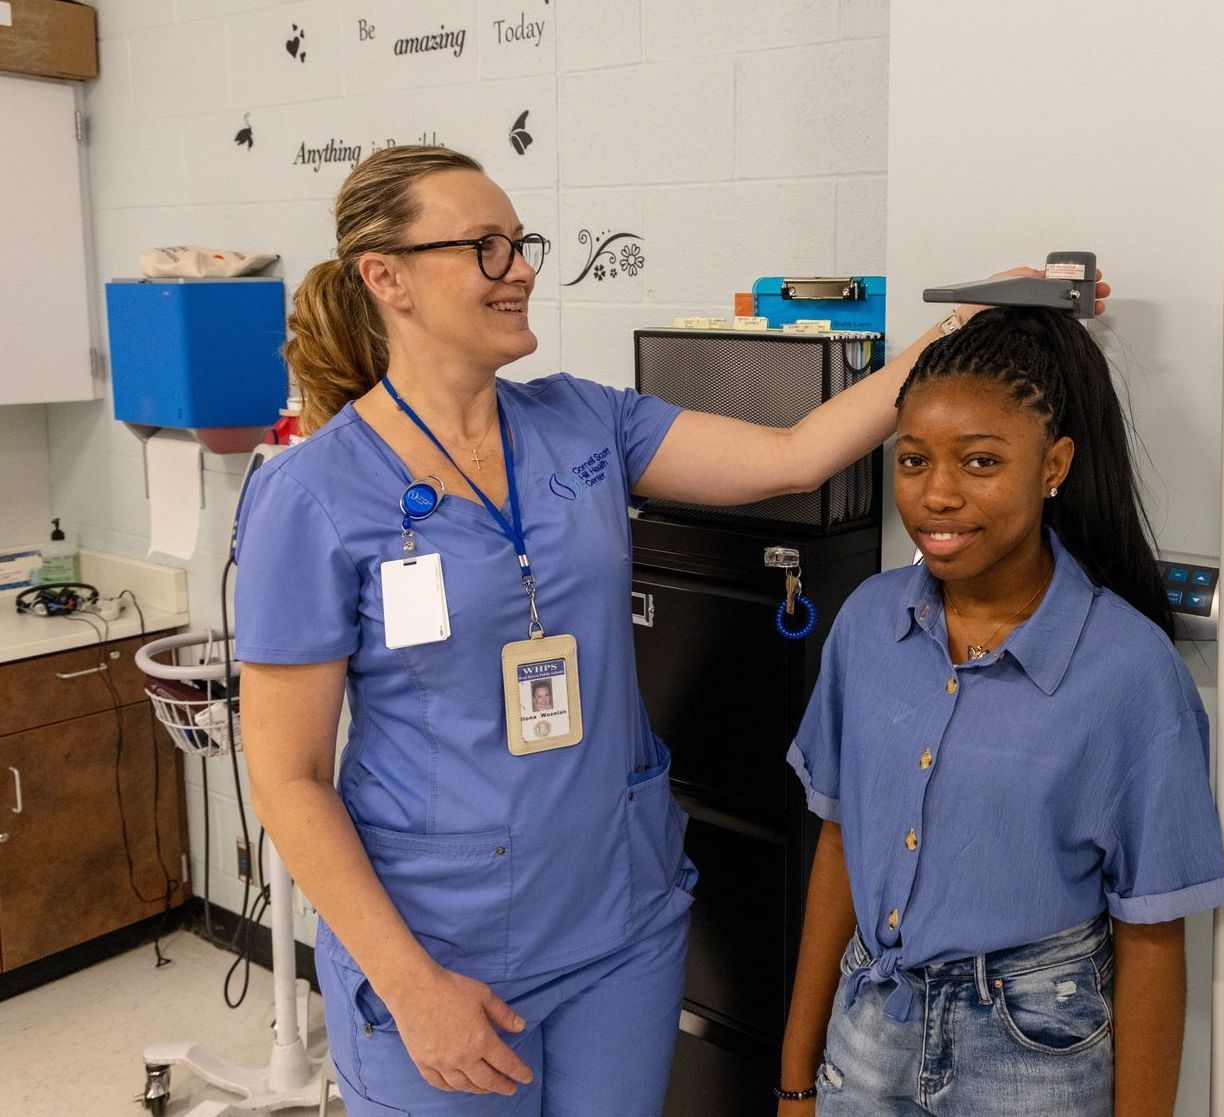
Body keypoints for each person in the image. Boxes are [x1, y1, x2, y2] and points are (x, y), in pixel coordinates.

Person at [233, 144, 1110, 1117]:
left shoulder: (581, 421)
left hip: (619, 928)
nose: (519, 266)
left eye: (520, 242)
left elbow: (793, 455)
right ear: (385, 278)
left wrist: (959, 331)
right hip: (436, 946)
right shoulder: (312, 495)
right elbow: (287, 773)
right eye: (484, 247)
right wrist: (408, 984)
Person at [777, 307, 1224, 1117]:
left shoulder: (1129, 673)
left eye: (981, 461)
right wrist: (796, 1076)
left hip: (1031, 1056)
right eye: (913, 459)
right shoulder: (867, 626)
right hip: (867, 1031)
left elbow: (1153, 938)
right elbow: (838, 845)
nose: (938, 493)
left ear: (1053, 464)